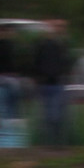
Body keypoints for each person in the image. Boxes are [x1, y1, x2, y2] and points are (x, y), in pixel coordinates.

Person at [29, 18, 72, 146]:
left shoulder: (62, 44)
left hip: (57, 83)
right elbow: (35, 62)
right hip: (45, 84)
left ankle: (57, 141)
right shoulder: (41, 44)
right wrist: (37, 78)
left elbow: (66, 62)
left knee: (56, 115)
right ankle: (48, 142)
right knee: (47, 115)